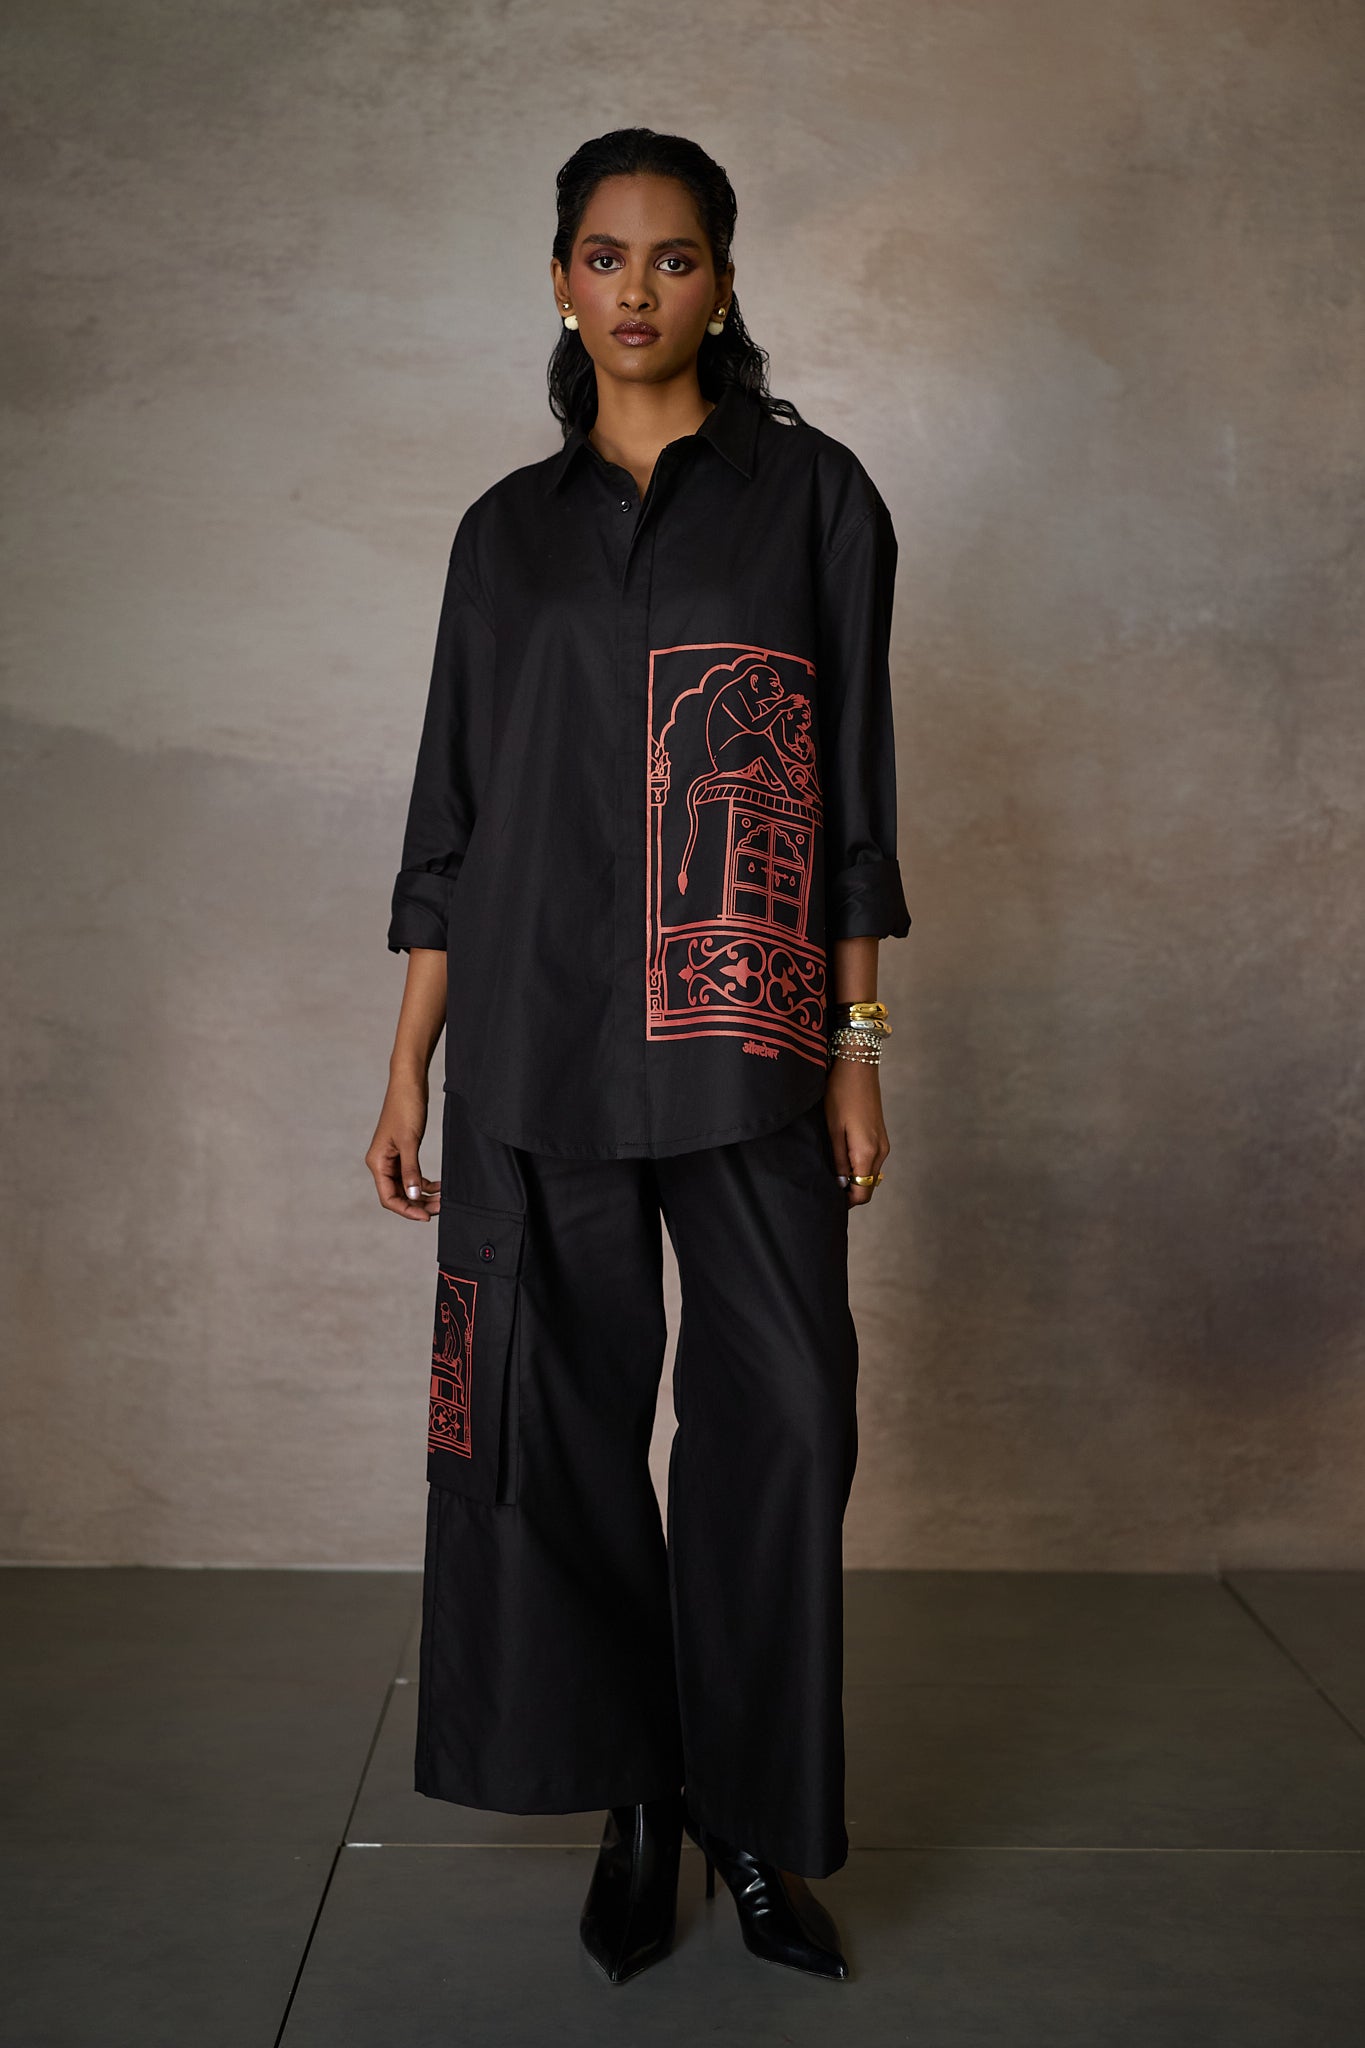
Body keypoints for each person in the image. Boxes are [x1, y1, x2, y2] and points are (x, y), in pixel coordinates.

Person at [365, 126, 911, 1986]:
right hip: (533, 1050)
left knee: (784, 1418)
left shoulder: (813, 501)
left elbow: (852, 804)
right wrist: (408, 1065)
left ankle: (750, 1816)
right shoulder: (501, 536)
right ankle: (637, 1801)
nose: (635, 289)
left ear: (723, 282)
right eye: (603, 257)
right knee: (549, 1428)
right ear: (557, 280)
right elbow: (450, 819)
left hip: (748, 1044)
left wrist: (853, 1042)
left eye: (672, 258)